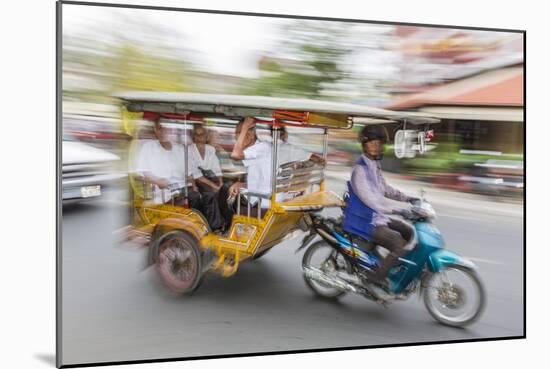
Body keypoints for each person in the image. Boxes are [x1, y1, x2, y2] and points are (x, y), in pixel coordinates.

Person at [343, 125, 420, 286]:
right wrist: (397, 210)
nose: (376, 147)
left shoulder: (374, 166)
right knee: (398, 243)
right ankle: (375, 278)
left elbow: (385, 189)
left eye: (379, 143)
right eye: (372, 143)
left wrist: (409, 199)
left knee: (409, 231)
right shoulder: (360, 170)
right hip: (365, 221)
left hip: (378, 218)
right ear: (365, 145)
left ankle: (390, 263)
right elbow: (370, 200)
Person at [218, 117, 272, 229]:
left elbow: (235, 155)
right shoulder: (260, 148)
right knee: (230, 187)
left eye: (238, 133)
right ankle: (227, 225)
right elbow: (261, 180)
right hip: (262, 195)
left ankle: (226, 227)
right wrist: (241, 185)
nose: (236, 137)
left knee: (225, 190)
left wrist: (245, 128)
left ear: (251, 135)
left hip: (262, 201)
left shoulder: (260, 148)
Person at [132, 118, 200, 207]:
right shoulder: (148, 147)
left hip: (182, 188)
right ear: (155, 130)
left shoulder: (179, 149)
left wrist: (194, 186)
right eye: (160, 128)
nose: (163, 131)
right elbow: (143, 172)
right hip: (164, 192)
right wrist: (157, 180)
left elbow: (189, 173)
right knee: (193, 197)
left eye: (166, 128)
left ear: (171, 130)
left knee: (204, 196)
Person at [189, 124, 223, 193]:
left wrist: (221, 183)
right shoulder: (189, 150)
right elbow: (197, 175)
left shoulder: (211, 149)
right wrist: (214, 186)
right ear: (193, 136)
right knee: (210, 193)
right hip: (196, 181)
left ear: (206, 136)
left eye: (202, 134)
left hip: (210, 179)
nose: (199, 137)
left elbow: (216, 168)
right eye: (196, 134)